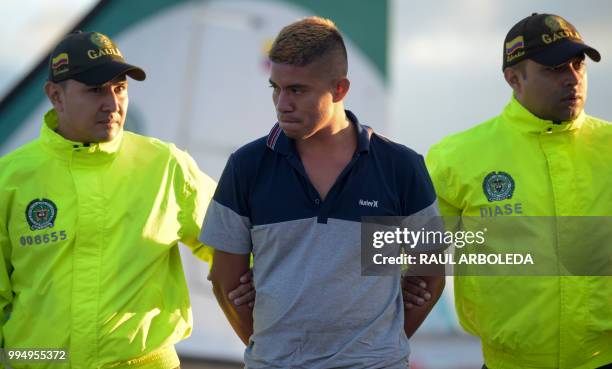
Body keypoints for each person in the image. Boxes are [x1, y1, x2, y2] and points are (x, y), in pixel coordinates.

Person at [200, 16, 445, 368]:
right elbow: (225, 283)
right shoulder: (246, 166)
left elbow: (431, 271)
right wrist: (276, 351)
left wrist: (378, 347)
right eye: (275, 88)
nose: (282, 103)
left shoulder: (401, 166)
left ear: (340, 89)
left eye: (297, 90)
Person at [0, 30, 219, 369]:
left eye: (120, 88)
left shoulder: (167, 166)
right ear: (55, 96)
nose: (113, 104)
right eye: (95, 90)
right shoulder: (9, 178)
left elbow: (238, 248)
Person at [405, 13, 612, 369]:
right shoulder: (456, 157)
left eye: (578, 64)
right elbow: (408, 261)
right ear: (513, 79)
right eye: (555, 68)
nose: (573, 78)